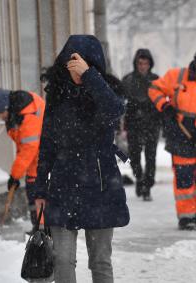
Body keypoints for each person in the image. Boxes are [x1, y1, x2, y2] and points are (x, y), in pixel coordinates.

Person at [34, 35, 130, 283]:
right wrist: (40, 191)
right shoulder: (56, 94)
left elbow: (115, 110)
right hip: (63, 187)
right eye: (71, 61)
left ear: (93, 64)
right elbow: (47, 144)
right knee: (63, 261)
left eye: (81, 61)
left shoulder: (105, 92)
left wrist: (89, 77)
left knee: (100, 261)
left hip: (100, 186)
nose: (74, 65)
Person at [148, 49, 196, 230]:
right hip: (180, 132)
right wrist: (165, 105)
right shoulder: (176, 76)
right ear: (195, 67)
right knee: (184, 177)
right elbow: (154, 89)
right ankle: (186, 217)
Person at [0, 88, 45, 228]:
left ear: (7, 107)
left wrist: (15, 176)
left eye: (1, 113)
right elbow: (24, 146)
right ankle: (39, 228)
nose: (1, 117)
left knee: (38, 197)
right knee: (33, 195)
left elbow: (28, 148)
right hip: (36, 162)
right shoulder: (17, 114)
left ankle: (44, 231)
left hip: (45, 162)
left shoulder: (28, 114)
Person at [121, 49, 160, 201]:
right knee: (134, 157)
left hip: (152, 123)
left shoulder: (157, 80)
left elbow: (162, 102)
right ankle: (139, 178)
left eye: (146, 63)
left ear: (150, 64)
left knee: (151, 156)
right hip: (133, 124)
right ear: (136, 64)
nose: (143, 66)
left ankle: (147, 186)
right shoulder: (128, 80)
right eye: (140, 63)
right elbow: (121, 103)